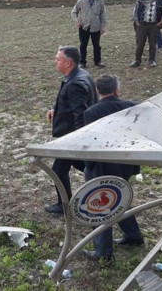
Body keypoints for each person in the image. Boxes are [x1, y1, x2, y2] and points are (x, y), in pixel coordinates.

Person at [81, 75, 144, 262]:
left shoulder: (91, 112)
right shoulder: (130, 106)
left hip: (102, 165)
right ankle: (133, 235)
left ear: (97, 91)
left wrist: (88, 167)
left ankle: (103, 252)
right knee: (120, 196)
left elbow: (91, 142)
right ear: (117, 90)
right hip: (125, 163)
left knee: (98, 205)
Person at [44, 46, 97, 214]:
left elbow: (80, 114)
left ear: (68, 63)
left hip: (71, 136)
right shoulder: (78, 75)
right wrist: (56, 109)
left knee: (58, 171)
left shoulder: (76, 84)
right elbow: (70, 101)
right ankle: (100, 175)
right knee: (81, 165)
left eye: (58, 59)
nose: (55, 62)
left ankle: (64, 205)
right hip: (72, 135)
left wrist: (78, 141)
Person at [130, 0, 162, 68]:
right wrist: (136, 21)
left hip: (154, 25)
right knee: (140, 44)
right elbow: (135, 10)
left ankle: (152, 61)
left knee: (153, 44)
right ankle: (137, 60)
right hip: (142, 24)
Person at [70, 0, 107, 68]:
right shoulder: (81, 1)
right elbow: (74, 12)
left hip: (96, 27)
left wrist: (102, 27)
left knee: (96, 45)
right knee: (83, 45)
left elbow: (103, 15)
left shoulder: (100, 1)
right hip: (84, 27)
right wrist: (77, 21)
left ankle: (98, 61)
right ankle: (82, 62)